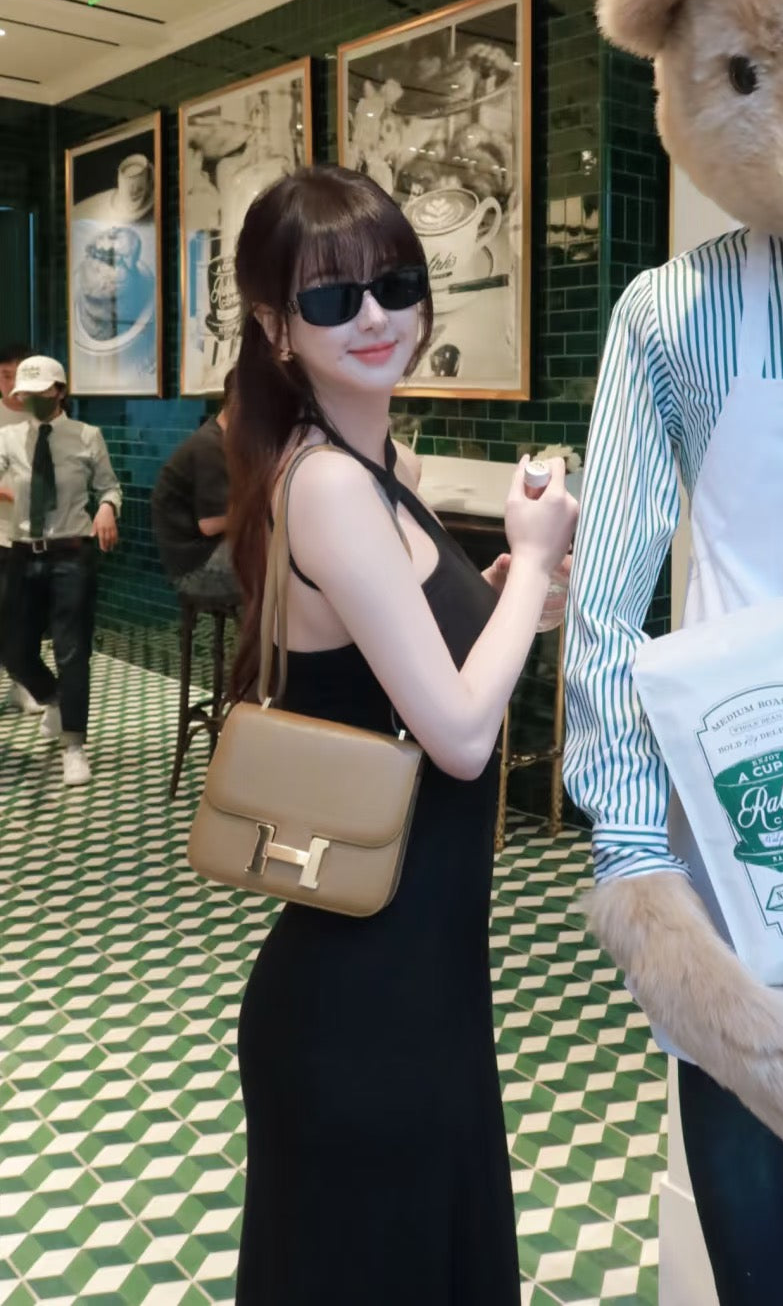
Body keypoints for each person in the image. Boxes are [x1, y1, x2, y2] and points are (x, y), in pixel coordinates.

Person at [226, 165, 577, 1306]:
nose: (375, 315)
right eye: (333, 297)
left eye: (396, 284)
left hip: (425, 979)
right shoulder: (328, 485)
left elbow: (425, 668)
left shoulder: (388, 471)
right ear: (276, 326)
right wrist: (534, 563)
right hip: (360, 1001)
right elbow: (463, 737)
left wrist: (506, 597)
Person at [0, 356, 121, 786]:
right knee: (13, 648)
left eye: (39, 392)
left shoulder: (87, 436)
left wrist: (107, 507)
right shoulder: (9, 438)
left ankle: (74, 745)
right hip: (21, 554)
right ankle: (52, 697)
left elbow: (109, 486)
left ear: (59, 391)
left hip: (72, 554)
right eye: (24, 394)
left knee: (72, 651)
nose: (30, 400)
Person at [151, 369, 240, 605]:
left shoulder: (217, 438)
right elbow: (211, 524)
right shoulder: (209, 446)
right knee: (280, 562)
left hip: (195, 557)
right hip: (196, 569)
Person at [0, 341, 37, 715]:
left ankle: (21, 684)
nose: (12, 385)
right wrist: (11, 493)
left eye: (19, 375)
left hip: (31, 535)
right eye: (5, 375)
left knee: (24, 614)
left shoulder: (42, 417)